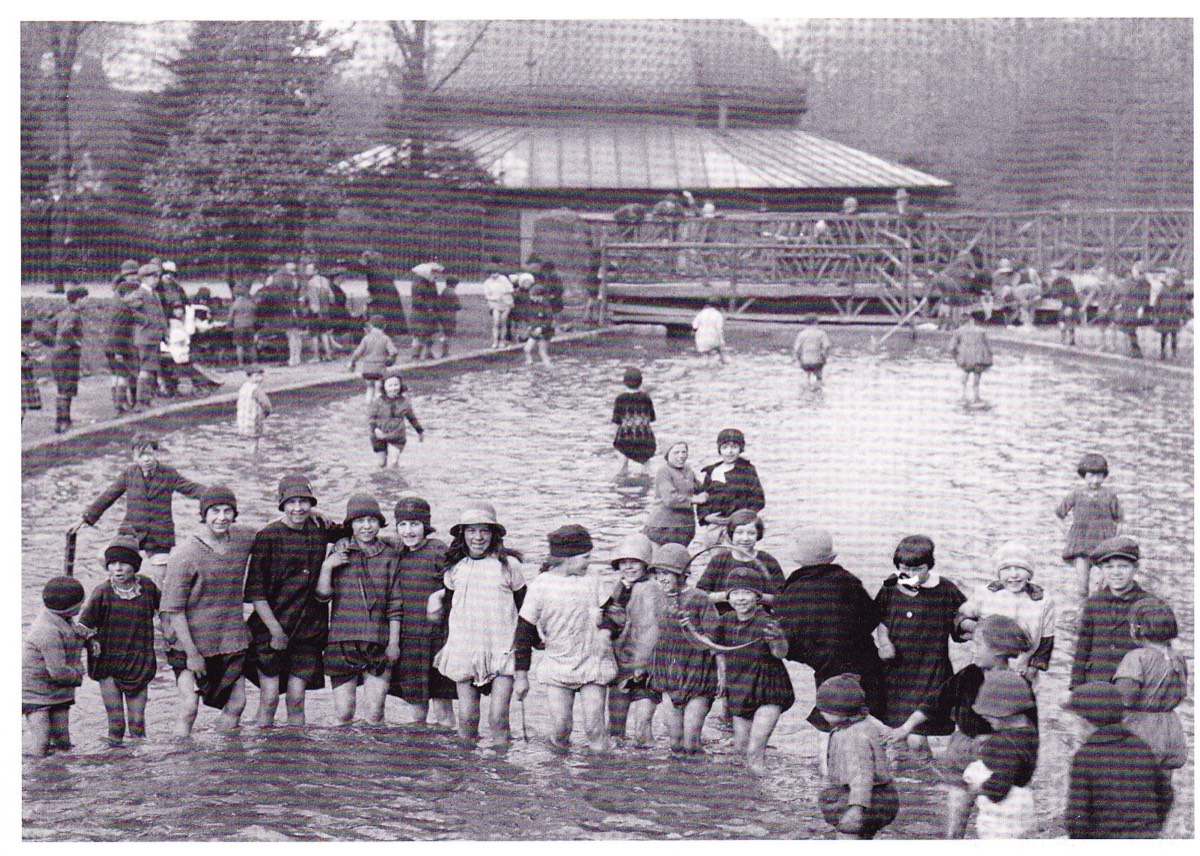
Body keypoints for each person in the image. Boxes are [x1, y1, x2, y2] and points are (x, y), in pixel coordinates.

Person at [889, 614, 1033, 839]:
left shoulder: (1017, 684)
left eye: (977, 644)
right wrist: (906, 727)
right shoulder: (968, 674)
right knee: (955, 818)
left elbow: (1028, 732)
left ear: (998, 649)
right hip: (962, 748)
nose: (971, 650)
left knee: (997, 820)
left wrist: (1021, 773)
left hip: (996, 755)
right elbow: (936, 701)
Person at [244, 473, 341, 727]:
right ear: (282, 504)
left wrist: (323, 514)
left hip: (308, 630)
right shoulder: (268, 536)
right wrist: (275, 631)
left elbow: (358, 529)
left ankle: (295, 758)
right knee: (270, 698)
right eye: (291, 502)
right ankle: (258, 759)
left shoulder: (319, 528)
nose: (298, 508)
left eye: (304, 501)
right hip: (271, 628)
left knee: (297, 699)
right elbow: (256, 592)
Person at [513, 525, 618, 753]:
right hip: (558, 664)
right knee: (561, 728)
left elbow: (612, 613)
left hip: (593, 662)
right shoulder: (541, 585)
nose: (589, 562)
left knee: (594, 728)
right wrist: (521, 677)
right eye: (585, 557)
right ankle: (559, 778)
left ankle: (601, 777)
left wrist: (606, 631)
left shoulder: (593, 579)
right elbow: (523, 633)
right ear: (566, 558)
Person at [160, 485, 253, 737]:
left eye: (227, 511)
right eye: (214, 511)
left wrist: (313, 514)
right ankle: (182, 760)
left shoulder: (243, 539)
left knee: (237, 704)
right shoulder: (185, 554)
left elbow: (277, 533)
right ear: (203, 515)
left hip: (231, 640)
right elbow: (173, 610)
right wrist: (192, 654)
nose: (221, 517)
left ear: (234, 514)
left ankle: (221, 761)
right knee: (189, 708)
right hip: (191, 645)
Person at [773, 529, 887, 733]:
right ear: (830, 557)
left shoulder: (793, 590)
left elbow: (791, 645)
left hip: (828, 668)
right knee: (871, 718)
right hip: (865, 662)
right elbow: (871, 617)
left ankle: (830, 760)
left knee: (832, 721)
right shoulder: (848, 580)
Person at [429, 502, 526, 744]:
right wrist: (446, 644)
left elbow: (525, 608)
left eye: (485, 530)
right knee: (467, 718)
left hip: (502, 648)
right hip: (465, 648)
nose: (478, 537)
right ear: (462, 534)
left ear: (494, 534)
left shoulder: (509, 566)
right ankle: (467, 771)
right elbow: (452, 611)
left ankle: (500, 771)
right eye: (471, 530)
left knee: (498, 718)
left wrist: (526, 648)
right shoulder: (455, 568)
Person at [873, 535, 967, 757]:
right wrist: (884, 643)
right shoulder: (891, 586)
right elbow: (881, 619)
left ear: (930, 566)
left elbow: (962, 623)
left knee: (916, 736)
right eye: (905, 569)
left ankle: (928, 778)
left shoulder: (945, 589)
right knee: (898, 733)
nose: (911, 576)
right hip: (896, 672)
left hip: (930, 669)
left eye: (918, 570)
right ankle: (914, 781)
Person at [316, 494, 403, 726]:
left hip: (378, 640)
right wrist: (327, 567)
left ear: (380, 523)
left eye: (372, 520)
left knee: (375, 713)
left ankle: (374, 761)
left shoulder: (390, 554)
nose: (366, 526)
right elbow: (323, 597)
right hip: (342, 641)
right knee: (344, 713)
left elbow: (395, 603)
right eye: (359, 521)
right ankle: (343, 761)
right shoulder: (338, 552)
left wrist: (393, 643)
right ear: (350, 525)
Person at [71, 434, 206, 583]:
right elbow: (108, 496)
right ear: (134, 457)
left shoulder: (169, 473)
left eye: (149, 454)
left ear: (156, 453)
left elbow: (191, 488)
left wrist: (215, 495)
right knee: (104, 557)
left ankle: (156, 603)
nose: (146, 459)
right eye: (141, 456)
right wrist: (84, 518)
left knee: (161, 579)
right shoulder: (129, 474)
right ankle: (126, 586)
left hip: (159, 535)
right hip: (132, 532)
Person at [78, 533, 161, 745]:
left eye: (124, 563)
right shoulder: (102, 593)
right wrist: (92, 640)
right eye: (113, 563)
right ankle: (116, 773)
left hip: (138, 662)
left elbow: (167, 613)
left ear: (135, 566)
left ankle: (137, 773)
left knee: (137, 726)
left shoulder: (148, 589)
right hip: (108, 664)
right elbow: (82, 626)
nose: (118, 568)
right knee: (116, 727)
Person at [1065, 681, 1174, 838]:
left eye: (1076, 719)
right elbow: (1166, 794)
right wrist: (1151, 827)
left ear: (1086, 721)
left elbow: (1077, 816)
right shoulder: (1140, 746)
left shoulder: (1085, 756)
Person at [712, 568, 793, 773]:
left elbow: (780, 653)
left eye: (747, 593)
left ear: (757, 597)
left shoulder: (767, 622)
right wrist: (722, 676)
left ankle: (762, 799)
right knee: (740, 749)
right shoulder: (725, 620)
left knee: (755, 752)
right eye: (736, 593)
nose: (741, 598)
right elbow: (717, 648)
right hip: (740, 689)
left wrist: (779, 639)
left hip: (769, 689)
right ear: (728, 597)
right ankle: (743, 796)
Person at [388, 496, 456, 728]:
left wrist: (438, 596)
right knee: (416, 709)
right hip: (409, 642)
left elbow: (459, 584)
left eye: (415, 524)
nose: (408, 531)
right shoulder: (395, 550)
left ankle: (446, 756)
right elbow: (363, 536)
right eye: (403, 525)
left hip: (438, 640)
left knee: (443, 708)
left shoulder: (438, 551)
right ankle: (418, 756)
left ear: (425, 526)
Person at [646, 542, 719, 754]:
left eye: (668, 573)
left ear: (683, 574)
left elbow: (713, 641)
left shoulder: (699, 598)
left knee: (691, 743)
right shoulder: (655, 598)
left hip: (698, 675)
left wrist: (692, 629)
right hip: (668, 675)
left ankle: (699, 782)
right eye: (659, 573)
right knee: (675, 743)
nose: (662, 578)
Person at [957, 542, 1056, 685]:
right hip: (985, 668)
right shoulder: (985, 593)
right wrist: (975, 628)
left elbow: (1046, 642)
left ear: (1030, 573)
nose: (1013, 575)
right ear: (998, 573)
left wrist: (1032, 669)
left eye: (1020, 568)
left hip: (1022, 671)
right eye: (1007, 569)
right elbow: (960, 618)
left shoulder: (1042, 600)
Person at [814, 674, 898, 840]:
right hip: (880, 793)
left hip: (862, 798)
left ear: (841, 712)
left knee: (847, 837)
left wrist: (856, 808)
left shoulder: (854, 737)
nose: (821, 714)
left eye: (824, 710)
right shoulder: (864, 723)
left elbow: (862, 775)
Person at [599, 533, 662, 746]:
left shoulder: (654, 588)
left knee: (643, 728)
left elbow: (653, 629)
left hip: (647, 667)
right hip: (621, 664)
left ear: (646, 564)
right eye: (624, 562)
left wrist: (645, 665)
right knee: (615, 729)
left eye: (634, 562)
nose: (628, 567)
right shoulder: (619, 588)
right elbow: (609, 618)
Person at [962, 670, 1039, 839]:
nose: (985, 718)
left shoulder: (1003, 743)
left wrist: (978, 786)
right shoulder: (1029, 730)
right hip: (1023, 799)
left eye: (988, 715)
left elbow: (999, 789)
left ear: (1002, 710)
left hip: (1003, 810)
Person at [1114, 598, 1188, 773]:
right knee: (1162, 788)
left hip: (1140, 731)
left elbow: (1123, 699)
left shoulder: (1137, 658)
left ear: (1138, 629)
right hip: (1170, 730)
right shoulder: (1177, 657)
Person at [1070, 535, 1154, 689]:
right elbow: (1082, 648)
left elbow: (1157, 653)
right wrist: (1075, 687)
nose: (1116, 572)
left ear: (1136, 567)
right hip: (1096, 683)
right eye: (1109, 567)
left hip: (1132, 686)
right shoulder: (1093, 603)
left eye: (1123, 566)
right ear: (1101, 569)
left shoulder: (1149, 605)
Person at [23, 576, 87, 757]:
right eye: (80, 604)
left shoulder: (61, 619)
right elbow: (58, 671)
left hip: (57, 693)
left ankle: (60, 776)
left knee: (63, 741)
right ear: (72, 608)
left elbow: (72, 634)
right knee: (41, 740)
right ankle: (37, 775)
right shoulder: (47, 630)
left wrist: (86, 636)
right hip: (34, 694)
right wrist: (77, 672)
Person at [1056, 452, 1122, 602]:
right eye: (1091, 475)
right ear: (1083, 475)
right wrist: (1066, 533)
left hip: (1103, 546)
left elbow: (1120, 520)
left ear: (1105, 476)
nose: (1096, 480)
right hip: (1081, 546)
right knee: (1082, 588)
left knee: (1103, 584)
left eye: (1100, 476)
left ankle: (1099, 613)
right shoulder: (1076, 494)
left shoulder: (1109, 496)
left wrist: (1114, 541)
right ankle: (1081, 616)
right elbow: (1059, 515)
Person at [695, 509, 785, 612]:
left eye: (751, 533)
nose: (745, 538)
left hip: (759, 620)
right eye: (739, 533)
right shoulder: (719, 561)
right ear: (731, 534)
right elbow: (700, 595)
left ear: (758, 535)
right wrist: (727, 596)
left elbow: (781, 598)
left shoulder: (767, 561)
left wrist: (756, 597)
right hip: (722, 619)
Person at [696, 428, 765, 544]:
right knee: (716, 556)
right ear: (719, 450)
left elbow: (758, 500)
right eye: (725, 447)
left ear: (740, 449)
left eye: (734, 447)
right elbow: (702, 498)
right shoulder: (712, 471)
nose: (729, 452)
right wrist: (706, 517)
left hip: (738, 528)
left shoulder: (747, 470)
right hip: (714, 526)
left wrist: (741, 518)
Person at [643, 440, 706, 547]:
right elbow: (670, 499)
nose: (681, 456)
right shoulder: (664, 472)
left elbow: (699, 488)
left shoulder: (688, 470)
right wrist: (693, 499)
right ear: (667, 455)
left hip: (685, 526)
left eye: (684, 452)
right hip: (663, 527)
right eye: (676, 452)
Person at [125, 262, 167, 410]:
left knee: (150, 369)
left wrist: (165, 333)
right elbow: (127, 305)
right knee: (145, 370)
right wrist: (143, 319)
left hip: (153, 336)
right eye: (154, 277)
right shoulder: (141, 292)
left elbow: (160, 315)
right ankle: (141, 403)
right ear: (145, 278)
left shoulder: (153, 293)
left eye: (157, 277)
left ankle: (146, 400)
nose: (157, 280)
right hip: (146, 337)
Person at [368, 368, 424, 469]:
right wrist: (375, 429)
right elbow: (371, 417)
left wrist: (420, 431)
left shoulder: (404, 402)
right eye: (390, 385)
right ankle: (383, 481)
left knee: (393, 461)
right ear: (384, 387)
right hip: (379, 435)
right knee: (381, 463)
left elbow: (411, 418)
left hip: (397, 435)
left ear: (400, 385)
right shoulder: (378, 401)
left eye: (396, 385)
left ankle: (395, 481)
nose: (393, 388)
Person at [161, 304, 223, 396]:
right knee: (192, 362)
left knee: (194, 362)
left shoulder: (186, 320)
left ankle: (207, 382)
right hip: (173, 349)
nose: (178, 311)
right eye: (176, 309)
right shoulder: (171, 322)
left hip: (182, 349)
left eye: (180, 309)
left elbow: (192, 330)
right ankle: (205, 383)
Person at [50, 284, 87, 433]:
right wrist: (75, 342)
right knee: (67, 388)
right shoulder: (74, 314)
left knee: (62, 388)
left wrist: (56, 341)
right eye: (85, 299)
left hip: (58, 355)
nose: (86, 302)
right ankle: (64, 421)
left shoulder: (63, 313)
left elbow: (51, 326)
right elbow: (66, 331)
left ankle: (62, 420)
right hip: (68, 356)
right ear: (78, 300)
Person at [611, 367, 657, 476]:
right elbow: (651, 418)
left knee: (622, 466)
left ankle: (621, 482)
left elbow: (617, 421)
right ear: (641, 382)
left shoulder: (620, 399)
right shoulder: (646, 398)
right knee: (647, 467)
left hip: (626, 438)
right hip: (645, 439)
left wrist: (615, 439)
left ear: (624, 382)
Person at [348, 314, 399, 404]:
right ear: (384, 326)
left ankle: (368, 405)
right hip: (380, 368)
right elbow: (393, 352)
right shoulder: (385, 338)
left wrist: (352, 363)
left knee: (370, 388)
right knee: (379, 388)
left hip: (367, 368)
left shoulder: (366, 338)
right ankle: (378, 407)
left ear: (370, 326)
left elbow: (357, 353)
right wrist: (391, 361)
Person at [359, 250, 409, 341]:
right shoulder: (380, 267)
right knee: (390, 313)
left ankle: (385, 333)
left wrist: (371, 294)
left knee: (383, 312)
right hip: (389, 292)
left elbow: (373, 283)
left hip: (382, 294)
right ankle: (393, 332)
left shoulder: (371, 267)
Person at [106, 277, 137, 413]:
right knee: (123, 376)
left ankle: (118, 403)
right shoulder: (125, 311)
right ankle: (120, 405)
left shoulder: (116, 306)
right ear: (126, 295)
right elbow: (118, 332)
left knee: (115, 375)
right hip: (119, 346)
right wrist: (119, 352)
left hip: (110, 345)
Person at [949, 310, 992, 404]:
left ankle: (963, 396)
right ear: (971, 321)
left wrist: (956, 358)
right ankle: (976, 398)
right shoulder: (982, 331)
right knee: (976, 381)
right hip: (980, 359)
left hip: (965, 359)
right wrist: (989, 361)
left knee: (964, 380)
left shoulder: (959, 331)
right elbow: (989, 347)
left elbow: (951, 348)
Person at [409, 262, 444, 360]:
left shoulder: (431, 283)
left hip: (429, 313)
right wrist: (429, 308)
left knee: (430, 334)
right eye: (434, 273)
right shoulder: (418, 283)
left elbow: (435, 297)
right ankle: (415, 355)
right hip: (420, 314)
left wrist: (436, 309)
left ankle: (428, 354)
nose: (435, 275)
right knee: (420, 335)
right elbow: (417, 301)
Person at [1152, 269, 1188, 360]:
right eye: (1168, 279)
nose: (1170, 281)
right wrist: (1156, 315)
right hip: (1163, 317)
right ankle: (1162, 352)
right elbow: (1157, 303)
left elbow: (1183, 306)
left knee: (1174, 336)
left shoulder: (1180, 292)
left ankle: (1174, 353)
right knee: (1163, 335)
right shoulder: (1163, 290)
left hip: (1174, 317)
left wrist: (1183, 318)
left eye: (1172, 279)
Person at [236, 364, 272, 457]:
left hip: (243, 419)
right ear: (250, 377)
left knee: (249, 441)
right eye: (257, 376)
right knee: (254, 441)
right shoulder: (256, 390)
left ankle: (248, 454)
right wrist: (266, 413)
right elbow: (266, 404)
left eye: (261, 375)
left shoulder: (243, 387)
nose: (260, 378)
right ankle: (253, 458)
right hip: (254, 420)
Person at [303, 263, 336, 362]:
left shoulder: (311, 283)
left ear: (315, 271)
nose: (306, 271)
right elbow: (331, 297)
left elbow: (314, 300)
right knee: (325, 333)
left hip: (316, 312)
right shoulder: (325, 280)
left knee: (314, 335)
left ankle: (316, 357)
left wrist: (312, 308)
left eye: (308, 269)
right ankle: (328, 355)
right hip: (326, 311)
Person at [792, 313, 831, 389]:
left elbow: (796, 349)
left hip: (805, 362)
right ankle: (818, 390)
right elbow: (827, 346)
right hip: (817, 361)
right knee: (819, 379)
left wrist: (799, 360)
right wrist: (824, 357)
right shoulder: (821, 333)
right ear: (816, 322)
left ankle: (807, 386)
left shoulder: (801, 334)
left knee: (806, 379)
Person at [482, 260, 514, 349]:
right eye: (492, 273)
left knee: (503, 322)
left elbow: (510, 289)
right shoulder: (487, 283)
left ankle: (502, 341)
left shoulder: (503, 279)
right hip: (495, 304)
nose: (494, 275)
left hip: (505, 303)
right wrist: (495, 298)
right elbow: (487, 295)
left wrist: (504, 294)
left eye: (496, 273)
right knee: (496, 322)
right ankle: (495, 341)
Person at [228, 279, 259, 368]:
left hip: (239, 326)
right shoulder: (251, 303)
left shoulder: (235, 304)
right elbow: (255, 314)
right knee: (251, 346)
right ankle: (254, 362)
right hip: (250, 325)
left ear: (235, 293)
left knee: (239, 346)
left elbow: (231, 317)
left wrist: (229, 326)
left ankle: (240, 363)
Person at [523, 284, 555, 367]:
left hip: (545, 331)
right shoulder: (532, 304)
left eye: (533, 296)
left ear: (539, 296)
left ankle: (550, 368)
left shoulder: (546, 305)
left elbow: (549, 319)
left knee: (542, 352)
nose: (531, 297)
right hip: (534, 330)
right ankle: (530, 365)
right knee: (527, 349)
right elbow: (530, 317)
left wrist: (541, 328)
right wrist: (530, 326)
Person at [692, 298, 726, 364]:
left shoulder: (701, 313)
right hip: (713, 337)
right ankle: (724, 362)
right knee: (720, 351)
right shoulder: (718, 314)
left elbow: (694, 326)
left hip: (700, 338)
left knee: (705, 355)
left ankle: (704, 365)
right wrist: (721, 340)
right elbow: (719, 328)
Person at [435, 276, 461, 358]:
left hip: (441, 314)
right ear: (454, 284)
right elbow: (458, 306)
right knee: (448, 335)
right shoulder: (453, 293)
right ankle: (445, 352)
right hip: (450, 315)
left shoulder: (444, 291)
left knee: (443, 333)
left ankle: (442, 350)